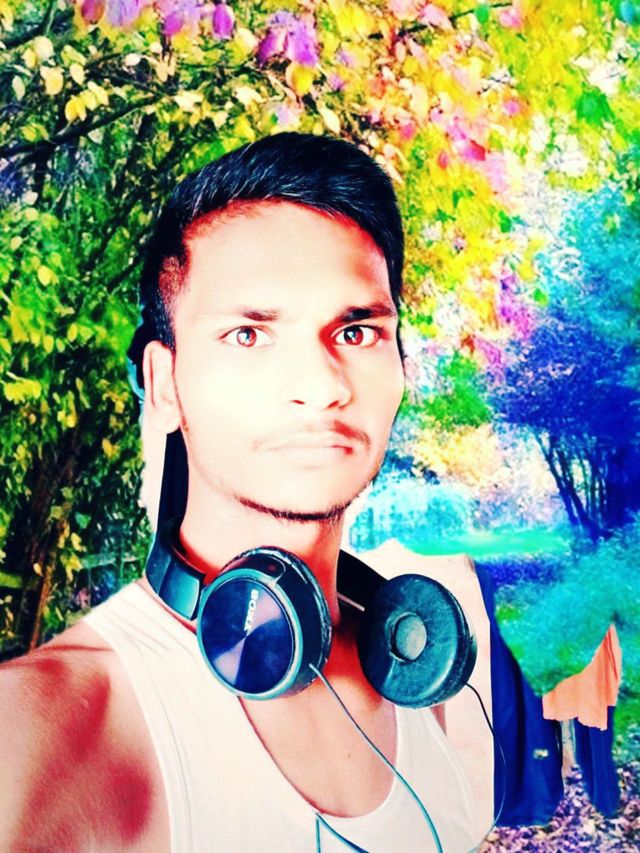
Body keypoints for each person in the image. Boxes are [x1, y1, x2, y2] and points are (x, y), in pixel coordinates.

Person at [0, 133, 478, 851]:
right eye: (249, 335)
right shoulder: (38, 734)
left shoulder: (412, 667)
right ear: (164, 384)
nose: (321, 386)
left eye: (356, 332)